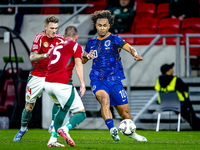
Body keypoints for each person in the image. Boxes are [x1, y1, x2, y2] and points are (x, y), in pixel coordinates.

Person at [83, 10, 147, 142]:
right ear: (95, 25)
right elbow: (83, 60)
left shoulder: (115, 38)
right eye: (99, 25)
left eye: (104, 25)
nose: (102, 28)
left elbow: (129, 47)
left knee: (125, 114)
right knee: (104, 100)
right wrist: (86, 57)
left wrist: (135, 54)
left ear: (109, 25)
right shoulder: (91, 43)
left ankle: (132, 133)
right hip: (98, 79)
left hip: (115, 80)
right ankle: (112, 129)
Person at [13, 15, 64, 141]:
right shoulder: (39, 38)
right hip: (37, 75)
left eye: (56, 28)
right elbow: (32, 57)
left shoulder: (60, 39)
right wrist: (46, 54)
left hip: (52, 75)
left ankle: (52, 125)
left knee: (59, 100)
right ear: (45, 27)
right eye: (52, 28)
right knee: (29, 107)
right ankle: (23, 129)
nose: (54, 31)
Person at [44, 26, 86, 147]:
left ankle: (52, 140)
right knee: (81, 113)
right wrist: (82, 83)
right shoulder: (75, 46)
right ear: (76, 37)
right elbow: (78, 64)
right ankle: (65, 129)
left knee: (61, 107)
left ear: (63, 37)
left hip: (48, 83)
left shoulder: (55, 47)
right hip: (62, 84)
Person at [155, 62, 200, 130]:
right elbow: (186, 88)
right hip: (179, 104)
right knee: (189, 112)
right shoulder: (175, 80)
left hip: (164, 105)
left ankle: (195, 125)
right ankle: (196, 126)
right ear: (167, 71)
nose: (172, 70)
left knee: (187, 114)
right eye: (171, 69)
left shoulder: (158, 80)